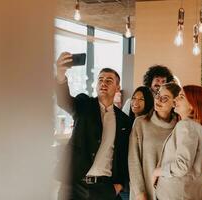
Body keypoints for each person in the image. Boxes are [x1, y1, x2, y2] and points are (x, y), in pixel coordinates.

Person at [55, 52, 132, 200]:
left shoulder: (124, 120)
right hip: (74, 187)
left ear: (117, 87)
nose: (103, 83)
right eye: (100, 80)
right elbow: (63, 100)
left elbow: (124, 155)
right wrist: (60, 74)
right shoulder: (84, 104)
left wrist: (120, 185)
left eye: (109, 80)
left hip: (104, 189)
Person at [152, 85, 202, 200]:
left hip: (175, 194)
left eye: (181, 97)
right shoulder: (200, 128)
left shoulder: (186, 126)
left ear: (192, 104)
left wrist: (157, 172)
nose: (175, 100)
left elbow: (181, 166)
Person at [128, 82, 181, 200]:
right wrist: (140, 193)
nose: (158, 100)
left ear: (175, 102)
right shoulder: (141, 123)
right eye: (158, 95)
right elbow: (133, 161)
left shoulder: (179, 128)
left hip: (170, 193)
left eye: (165, 98)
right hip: (143, 193)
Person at [120, 86, 154, 200]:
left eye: (141, 99)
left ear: (148, 102)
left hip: (143, 180)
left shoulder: (150, 126)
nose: (135, 102)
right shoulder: (124, 122)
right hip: (124, 181)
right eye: (134, 98)